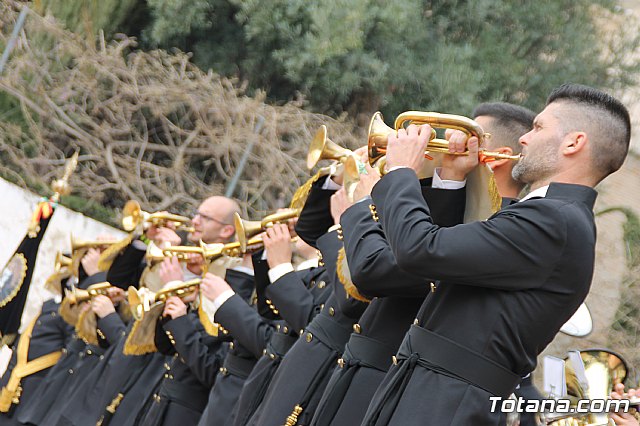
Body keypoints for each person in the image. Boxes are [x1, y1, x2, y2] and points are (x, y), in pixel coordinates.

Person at [360, 83, 631, 425]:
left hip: (445, 404)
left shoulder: (554, 220)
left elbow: (419, 250)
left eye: (538, 127)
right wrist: (451, 177)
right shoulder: (553, 216)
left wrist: (400, 172)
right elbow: (440, 261)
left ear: (574, 143)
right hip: (434, 392)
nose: (524, 139)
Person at [311, 102, 536, 426]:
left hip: (385, 380)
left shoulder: (501, 227)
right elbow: (311, 229)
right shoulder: (443, 192)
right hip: (354, 370)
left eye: (467, 137)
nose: (450, 142)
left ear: (496, 156)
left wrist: (363, 205)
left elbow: (376, 272)